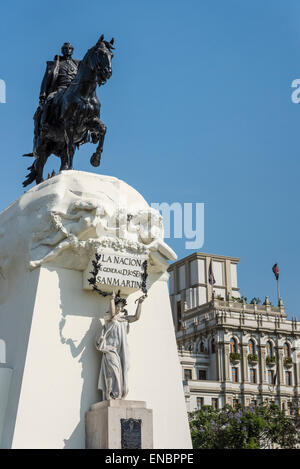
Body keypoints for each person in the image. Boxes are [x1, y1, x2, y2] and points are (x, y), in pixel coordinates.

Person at [96, 290, 146, 400]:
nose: (119, 309)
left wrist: (140, 303)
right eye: (117, 306)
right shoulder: (109, 318)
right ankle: (109, 394)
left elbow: (136, 317)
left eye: (120, 307)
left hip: (122, 350)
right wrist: (111, 299)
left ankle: (117, 394)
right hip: (110, 349)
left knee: (121, 372)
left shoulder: (125, 319)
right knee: (113, 370)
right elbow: (113, 314)